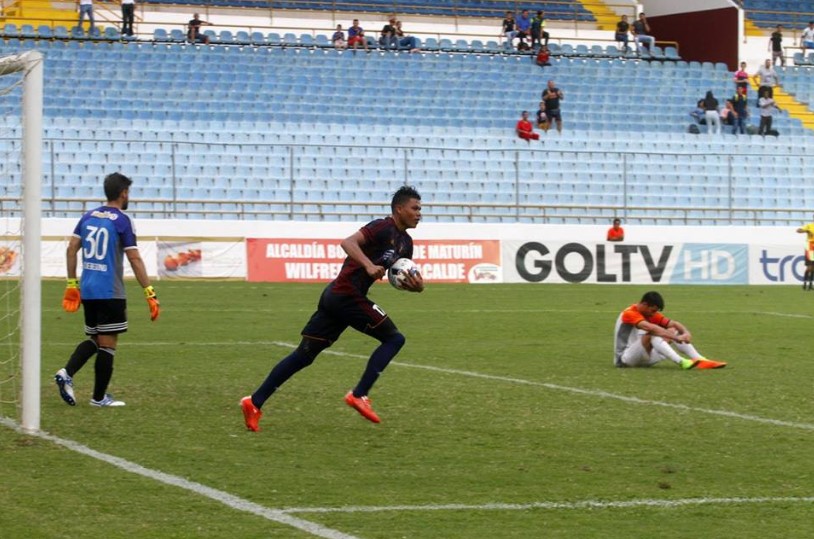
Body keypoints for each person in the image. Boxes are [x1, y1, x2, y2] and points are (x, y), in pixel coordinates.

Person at [240, 186, 425, 431]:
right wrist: (369, 266)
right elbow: (348, 243)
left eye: (420, 209)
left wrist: (415, 287)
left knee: (304, 355)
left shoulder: (406, 244)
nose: (419, 213)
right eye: (415, 208)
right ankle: (359, 395)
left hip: (339, 297)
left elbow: (395, 275)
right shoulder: (382, 227)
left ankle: (254, 402)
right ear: (399, 209)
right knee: (394, 339)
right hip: (346, 295)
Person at [55, 173, 160, 408]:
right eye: (128, 192)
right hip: (110, 291)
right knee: (108, 344)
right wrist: (149, 292)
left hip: (88, 289)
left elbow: (72, 248)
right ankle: (99, 398)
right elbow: (134, 257)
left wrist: (72, 284)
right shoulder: (122, 220)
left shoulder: (88, 216)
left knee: (94, 338)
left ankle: (66, 372)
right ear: (123, 193)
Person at [613, 291, 726, 370]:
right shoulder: (629, 313)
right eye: (653, 310)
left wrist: (686, 333)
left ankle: (700, 360)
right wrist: (676, 338)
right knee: (653, 333)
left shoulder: (649, 312)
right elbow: (651, 328)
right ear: (645, 304)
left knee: (672, 330)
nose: (654, 314)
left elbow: (674, 324)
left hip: (644, 358)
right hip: (625, 360)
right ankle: (681, 362)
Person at [796, 216, 814, 290]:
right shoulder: (809, 226)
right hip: (810, 248)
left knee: (813, 268)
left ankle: (810, 284)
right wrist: (806, 231)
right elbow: (798, 230)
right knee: (810, 267)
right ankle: (805, 283)